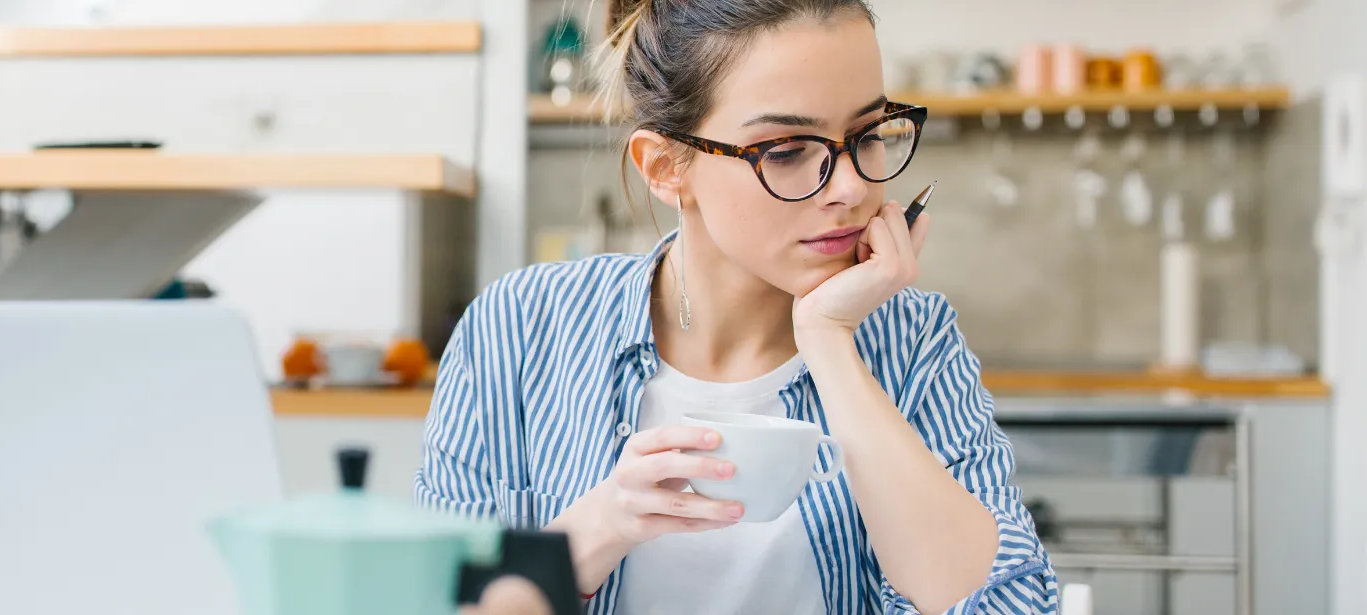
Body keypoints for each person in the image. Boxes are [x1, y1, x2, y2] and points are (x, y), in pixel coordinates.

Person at [414, 0, 1057, 613]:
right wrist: (603, 523)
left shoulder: (912, 340)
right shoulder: (521, 329)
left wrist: (830, 341)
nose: (853, 187)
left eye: (868, 134)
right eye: (785, 151)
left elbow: (1005, 606)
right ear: (666, 167)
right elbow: (432, 600)